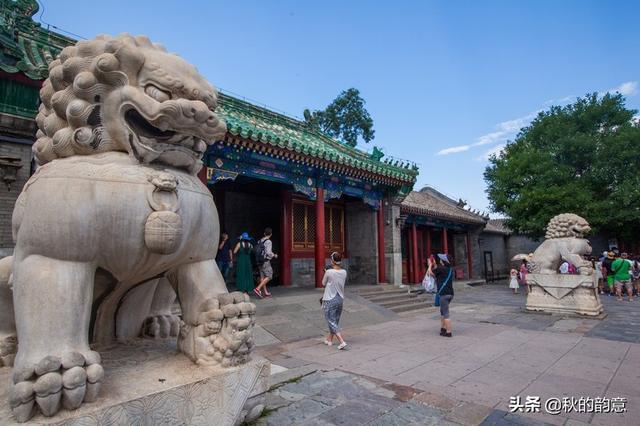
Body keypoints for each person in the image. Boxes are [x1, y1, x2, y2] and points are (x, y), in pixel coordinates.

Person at [321, 252, 348, 350]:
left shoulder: (329, 272)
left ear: (332, 260)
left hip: (329, 298)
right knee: (334, 320)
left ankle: (341, 341)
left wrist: (326, 272)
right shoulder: (344, 272)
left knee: (331, 320)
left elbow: (323, 283)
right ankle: (330, 340)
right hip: (340, 298)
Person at [429, 253, 454, 337]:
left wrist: (430, 265)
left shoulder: (441, 269)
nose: (440, 260)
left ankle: (448, 332)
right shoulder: (449, 269)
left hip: (444, 294)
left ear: (443, 261)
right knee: (443, 311)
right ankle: (443, 329)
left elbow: (431, 273)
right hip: (450, 293)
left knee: (445, 313)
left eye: (441, 259)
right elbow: (438, 273)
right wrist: (435, 264)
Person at [254, 227, 278, 299]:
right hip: (265, 261)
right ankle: (257, 289)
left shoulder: (260, 241)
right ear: (271, 234)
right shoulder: (268, 241)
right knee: (269, 276)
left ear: (264, 233)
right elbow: (268, 252)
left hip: (259, 261)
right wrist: (274, 255)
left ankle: (265, 292)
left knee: (262, 277)